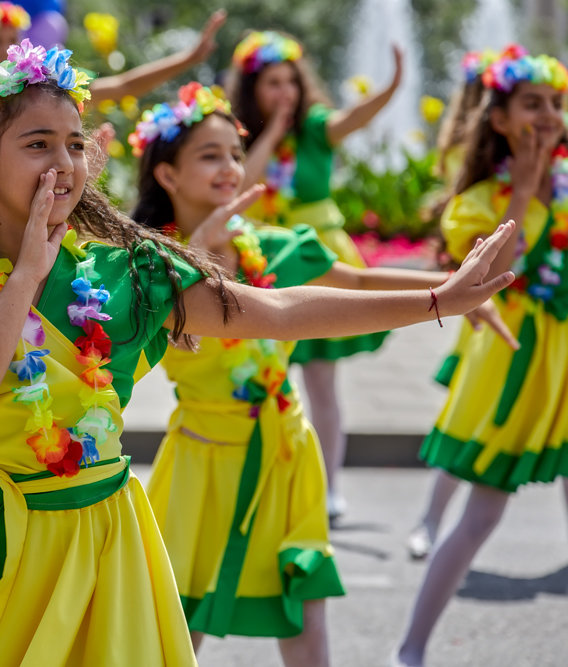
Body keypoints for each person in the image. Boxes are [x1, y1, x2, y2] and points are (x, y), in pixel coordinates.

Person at [0, 41, 513, 665]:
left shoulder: (126, 272)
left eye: (76, 144)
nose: (63, 164)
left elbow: (276, 311)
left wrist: (436, 300)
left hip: (109, 536)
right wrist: (23, 277)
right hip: (6, 548)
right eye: (37, 143)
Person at [128, 84, 513, 667]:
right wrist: (197, 255)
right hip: (201, 466)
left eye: (235, 152)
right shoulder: (149, 264)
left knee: (305, 615)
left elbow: (350, 281)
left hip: (286, 456)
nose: (231, 167)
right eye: (210, 155)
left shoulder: (271, 246)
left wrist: (447, 294)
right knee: (176, 623)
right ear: (166, 175)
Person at [395, 51, 568, 667]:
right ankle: (411, 648)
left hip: (563, 368)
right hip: (514, 366)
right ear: (498, 119)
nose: (548, 116)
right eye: (532, 105)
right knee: (481, 516)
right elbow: (492, 273)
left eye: (555, 103)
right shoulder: (479, 201)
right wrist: (522, 191)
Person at [229, 30, 403, 521]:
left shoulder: (317, 127)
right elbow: (246, 185)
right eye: (271, 83)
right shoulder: (238, 134)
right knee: (266, 377)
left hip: (323, 259)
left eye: (291, 82)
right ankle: (273, 483)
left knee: (323, 384)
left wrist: (392, 86)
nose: (284, 92)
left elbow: (356, 118)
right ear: (252, 89)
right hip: (268, 263)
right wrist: (269, 132)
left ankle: (329, 487)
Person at [406, 44, 527, 561]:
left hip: (552, 333)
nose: (547, 116)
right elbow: (491, 245)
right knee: (469, 422)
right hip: (497, 313)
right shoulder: (478, 168)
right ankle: (429, 522)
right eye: (532, 103)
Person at [0, 0, 228, 105]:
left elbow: (123, 86)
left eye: (12, 39)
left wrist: (189, 58)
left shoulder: (44, 84)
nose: (6, 48)